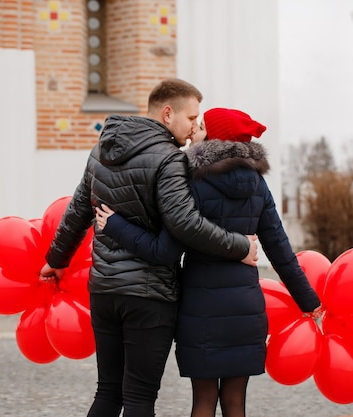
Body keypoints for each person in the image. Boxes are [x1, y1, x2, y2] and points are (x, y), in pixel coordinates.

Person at [39, 79, 259, 417]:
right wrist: (239, 245)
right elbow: (185, 224)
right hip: (149, 296)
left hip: (104, 291)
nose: (193, 130)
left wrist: (56, 258)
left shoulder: (101, 149)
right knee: (140, 397)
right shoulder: (170, 160)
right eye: (191, 118)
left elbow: (78, 209)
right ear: (168, 113)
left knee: (108, 392)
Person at [95, 108, 322, 417]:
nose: (194, 132)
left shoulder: (190, 184)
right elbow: (280, 249)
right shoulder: (258, 185)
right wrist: (308, 300)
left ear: (215, 137)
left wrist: (116, 225)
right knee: (235, 401)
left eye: (201, 126)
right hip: (245, 309)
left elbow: (165, 250)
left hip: (199, 309)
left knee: (202, 400)